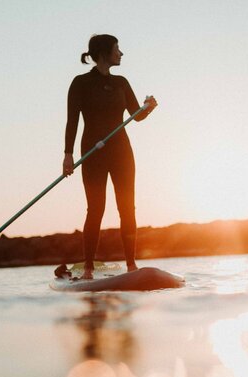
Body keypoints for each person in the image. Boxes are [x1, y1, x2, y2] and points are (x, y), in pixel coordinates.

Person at [63, 34, 158, 280]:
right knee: (96, 209)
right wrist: (67, 155)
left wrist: (148, 107)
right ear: (105, 53)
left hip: (122, 153)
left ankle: (131, 265)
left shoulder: (121, 82)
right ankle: (87, 269)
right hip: (93, 153)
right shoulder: (80, 83)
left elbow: (136, 116)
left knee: (127, 208)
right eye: (118, 49)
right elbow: (72, 120)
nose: (121, 53)